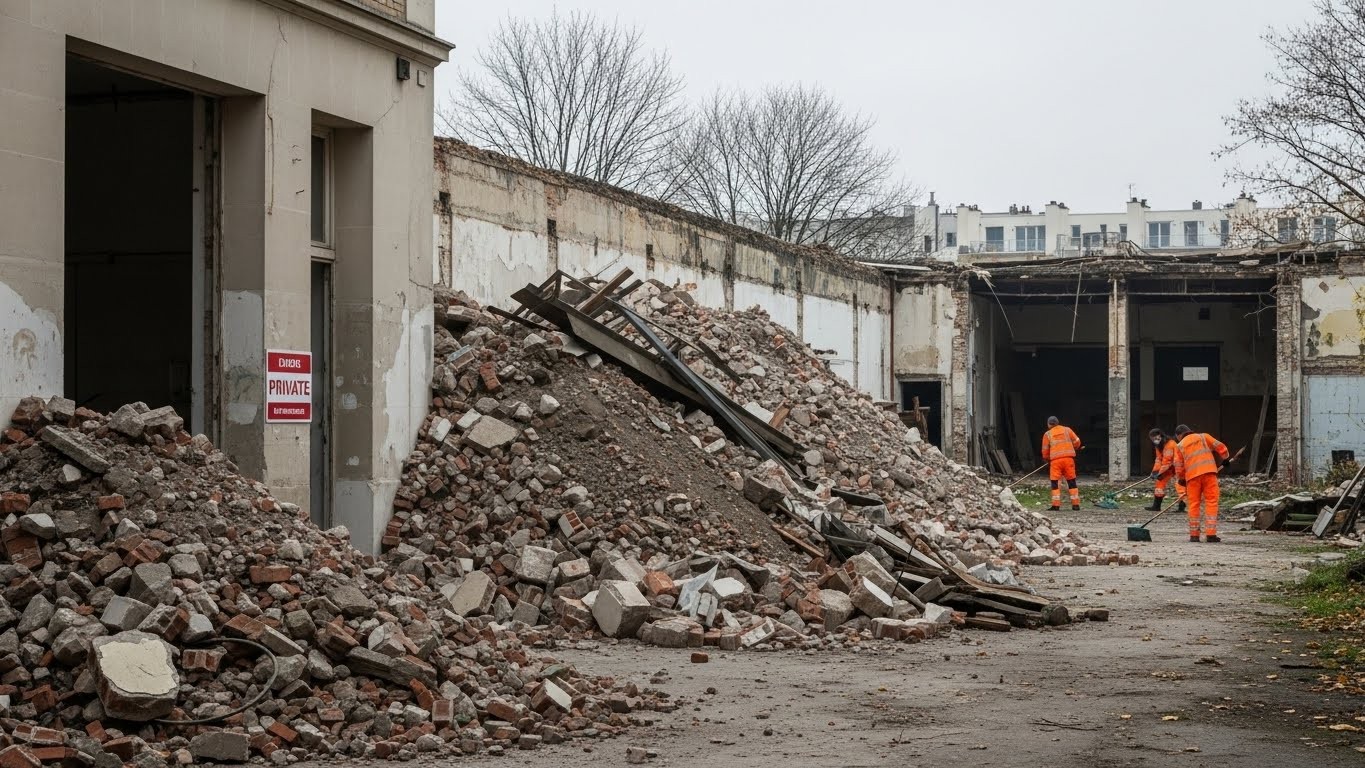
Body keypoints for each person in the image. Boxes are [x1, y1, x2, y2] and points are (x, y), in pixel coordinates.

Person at [1172, 424, 1231, 543]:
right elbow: (1220, 446)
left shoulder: (1179, 446)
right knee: (1211, 502)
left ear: (1179, 435)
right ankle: (1211, 535)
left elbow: (1178, 466)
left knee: (1193, 504)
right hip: (1209, 474)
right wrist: (1225, 458)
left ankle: (1194, 536)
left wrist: (1182, 479)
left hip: (1192, 478)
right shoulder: (1204, 437)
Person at [1040, 416, 1083, 511]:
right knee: (1071, 481)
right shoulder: (1067, 430)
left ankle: (1056, 505)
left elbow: (1045, 450)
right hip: (1068, 459)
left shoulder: (1047, 434)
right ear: (1057, 422)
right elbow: (1077, 441)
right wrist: (1074, 448)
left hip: (1055, 462)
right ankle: (1075, 505)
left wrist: (1047, 459)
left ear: (1048, 424)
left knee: (1055, 482)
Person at [1146, 428, 1186, 513]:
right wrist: (1155, 472)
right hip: (1168, 468)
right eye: (1152, 439)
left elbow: (1167, 461)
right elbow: (1158, 459)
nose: (1154, 440)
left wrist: (1160, 473)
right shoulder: (1158, 446)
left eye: (1154, 438)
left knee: (1179, 485)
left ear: (1160, 436)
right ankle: (1156, 505)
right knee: (1159, 483)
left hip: (1177, 466)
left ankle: (1182, 506)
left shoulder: (1170, 444)